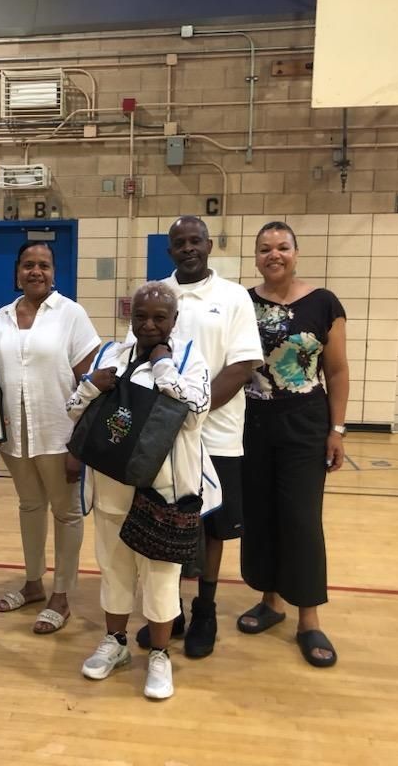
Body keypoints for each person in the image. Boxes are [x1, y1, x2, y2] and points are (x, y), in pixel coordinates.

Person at [68, 281, 211, 700]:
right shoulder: (110, 354)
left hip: (161, 493)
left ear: (174, 320)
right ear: (130, 318)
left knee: (161, 579)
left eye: (159, 318)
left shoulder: (187, 358)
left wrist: (163, 366)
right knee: (113, 570)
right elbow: (73, 409)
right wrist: (93, 384)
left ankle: (161, 655)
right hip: (111, 485)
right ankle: (115, 644)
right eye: (141, 317)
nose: (149, 325)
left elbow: (196, 412)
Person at [132, 216, 263, 659]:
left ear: (209, 245)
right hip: (162, 437)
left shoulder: (234, 297)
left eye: (195, 241)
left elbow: (242, 366)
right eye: (179, 243)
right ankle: (171, 613)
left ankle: (205, 609)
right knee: (164, 523)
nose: (188, 248)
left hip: (218, 434)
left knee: (211, 527)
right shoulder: (158, 294)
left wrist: (194, 409)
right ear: (169, 250)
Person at [237, 220, 349, 668]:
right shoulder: (242, 303)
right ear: (257, 256)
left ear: (296, 253)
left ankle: (309, 617)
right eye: (265, 249)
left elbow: (336, 371)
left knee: (302, 518)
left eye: (282, 247)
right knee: (261, 514)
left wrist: (336, 430)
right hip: (253, 422)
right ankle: (271, 601)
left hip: (305, 422)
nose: (274, 255)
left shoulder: (323, 304)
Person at [0, 241, 100, 634]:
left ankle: (62, 594)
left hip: (59, 434)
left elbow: (90, 384)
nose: (36, 272)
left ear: (55, 272)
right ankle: (34, 583)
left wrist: (80, 444)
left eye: (44, 265)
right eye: (28, 265)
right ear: (17, 271)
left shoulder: (71, 314)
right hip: (15, 436)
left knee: (66, 513)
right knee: (29, 507)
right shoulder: (1, 317)